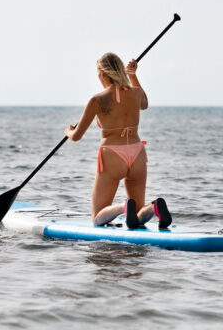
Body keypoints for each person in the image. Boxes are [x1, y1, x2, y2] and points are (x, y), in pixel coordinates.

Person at [64, 52, 172, 229]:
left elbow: (76, 137)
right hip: (137, 153)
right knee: (136, 215)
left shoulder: (97, 100)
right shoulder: (135, 93)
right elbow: (144, 104)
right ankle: (155, 207)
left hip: (112, 154)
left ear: (103, 74)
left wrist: (68, 131)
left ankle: (123, 207)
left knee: (97, 218)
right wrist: (133, 76)